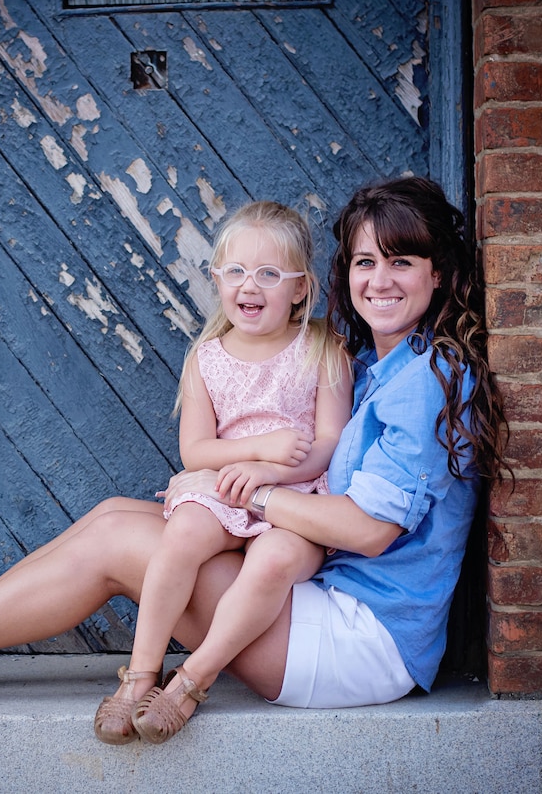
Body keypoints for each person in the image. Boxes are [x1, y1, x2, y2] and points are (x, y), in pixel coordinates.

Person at [0, 177, 507, 747]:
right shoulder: (380, 364)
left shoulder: (423, 381)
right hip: (330, 607)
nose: (379, 280)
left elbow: (369, 532)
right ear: (342, 273)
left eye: (401, 262)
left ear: (439, 275)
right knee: (112, 516)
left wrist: (250, 494)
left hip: (360, 640)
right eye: (364, 262)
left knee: (117, 541)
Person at [93, 202, 352, 744]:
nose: (249, 286)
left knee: (276, 558)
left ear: (300, 288)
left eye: (269, 273)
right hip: (225, 491)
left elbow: (330, 441)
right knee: (182, 533)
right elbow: (195, 451)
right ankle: (140, 675)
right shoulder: (207, 358)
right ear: (216, 279)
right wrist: (257, 454)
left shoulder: (323, 350)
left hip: (298, 496)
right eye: (235, 271)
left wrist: (274, 469)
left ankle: (190, 683)